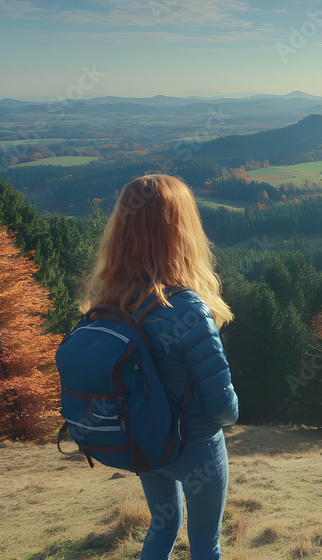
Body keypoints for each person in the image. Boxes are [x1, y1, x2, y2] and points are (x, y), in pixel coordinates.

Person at [80, 174, 239, 560]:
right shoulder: (187, 308)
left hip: (146, 440)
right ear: (181, 230)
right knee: (205, 544)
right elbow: (224, 409)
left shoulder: (111, 302)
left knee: (163, 524)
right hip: (196, 448)